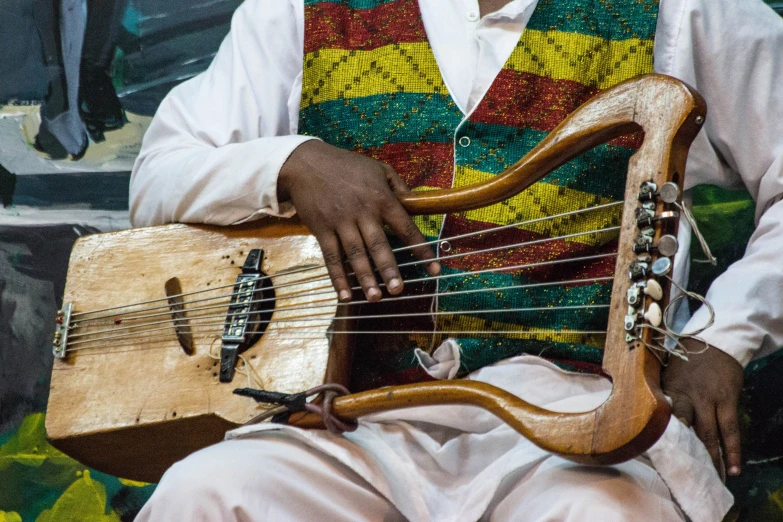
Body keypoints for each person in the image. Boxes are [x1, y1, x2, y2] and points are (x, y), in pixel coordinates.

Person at [129, 0, 783, 520]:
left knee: (601, 514)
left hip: (579, 424)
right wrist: (291, 163)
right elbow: (157, 177)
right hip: (349, 425)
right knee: (204, 495)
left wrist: (723, 337)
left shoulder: (685, 9)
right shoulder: (297, 13)